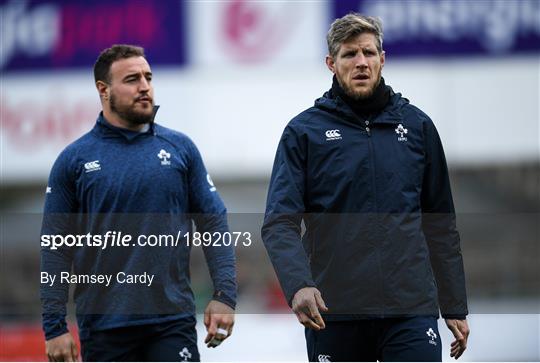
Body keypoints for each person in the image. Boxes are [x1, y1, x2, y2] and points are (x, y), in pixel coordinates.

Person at [262, 14, 469, 362]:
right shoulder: (303, 133)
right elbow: (279, 222)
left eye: (369, 53)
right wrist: (299, 284)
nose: (361, 62)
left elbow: (441, 226)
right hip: (335, 313)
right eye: (349, 55)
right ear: (331, 63)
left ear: (382, 59)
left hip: (410, 311)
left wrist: (454, 304)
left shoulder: (417, 127)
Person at [40, 44, 236, 361]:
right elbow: (55, 247)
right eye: (132, 79)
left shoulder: (180, 149)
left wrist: (225, 295)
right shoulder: (74, 161)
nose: (144, 87)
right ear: (103, 90)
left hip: (172, 324)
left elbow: (214, 221)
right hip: (104, 328)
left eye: (148, 77)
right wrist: (54, 327)